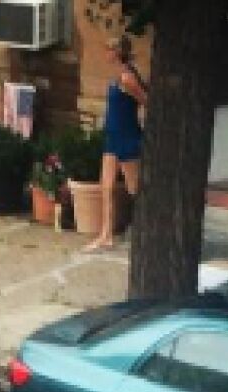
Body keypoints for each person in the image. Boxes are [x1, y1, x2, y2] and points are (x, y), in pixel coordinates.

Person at [84, 36, 147, 252]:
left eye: (109, 50)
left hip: (127, 137)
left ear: (117, 52)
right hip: (113, 137)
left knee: (134, 188)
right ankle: (106, 234)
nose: (106, 54)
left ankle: (145, 230)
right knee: (106, 186)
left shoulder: (128, 78)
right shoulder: (117, 76)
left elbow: (145, 100)